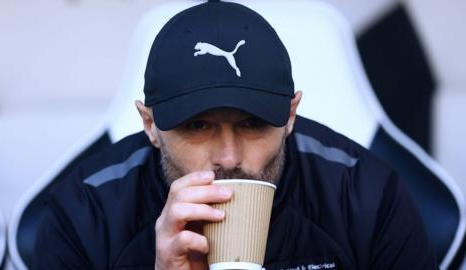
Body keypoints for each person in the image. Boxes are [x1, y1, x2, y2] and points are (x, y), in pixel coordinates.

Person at [35, 1, 437, 269]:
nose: (228, 157)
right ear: (151, 125)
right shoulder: (84, 212)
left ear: (290, 116)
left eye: (253, 123)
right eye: (197, 125)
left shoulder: (364, 195)